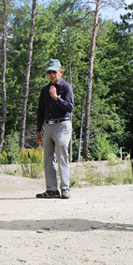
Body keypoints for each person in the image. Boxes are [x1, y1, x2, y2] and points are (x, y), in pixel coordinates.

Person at [35, 59, 74, 200]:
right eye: (49, 72)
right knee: (48, 158)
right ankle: (51, 190)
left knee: (62, 157)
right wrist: (39, 130)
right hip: (48, 126)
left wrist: (56, 98)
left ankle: (65, 189)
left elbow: (70, 108)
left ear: (61, 72)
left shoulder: (66, 87)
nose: (51, 74)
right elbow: (40, 111)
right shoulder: (44, 90)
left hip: (62, 125)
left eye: (54, 72)